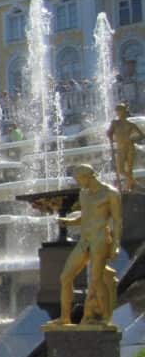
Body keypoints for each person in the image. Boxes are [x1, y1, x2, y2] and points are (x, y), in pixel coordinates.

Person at [56, 164, 122, 325]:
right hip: (84, 240)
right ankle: (65, 318)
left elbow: (118, 221)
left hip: (100, 239)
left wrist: (115, 244)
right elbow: (86, 216)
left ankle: (105, 318)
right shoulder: (84, 193)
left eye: (79, 179)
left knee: (96, 279)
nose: (78, 183)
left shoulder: (110, 193)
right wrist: (69, 221)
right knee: (65, 277)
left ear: (89, 176)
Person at [107, 103, 143, 192]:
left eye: (120, 110)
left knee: (129, 170)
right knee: (120, 170)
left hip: (130, 147)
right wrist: (109, 134)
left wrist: (132, 139)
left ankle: (130, 188)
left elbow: (142, 135)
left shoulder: (131, 124)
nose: (118, 112)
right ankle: (134, 183)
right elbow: (109, 132)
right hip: (120, 148)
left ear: (124, 111)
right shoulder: (114, 123)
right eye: (117, 110)